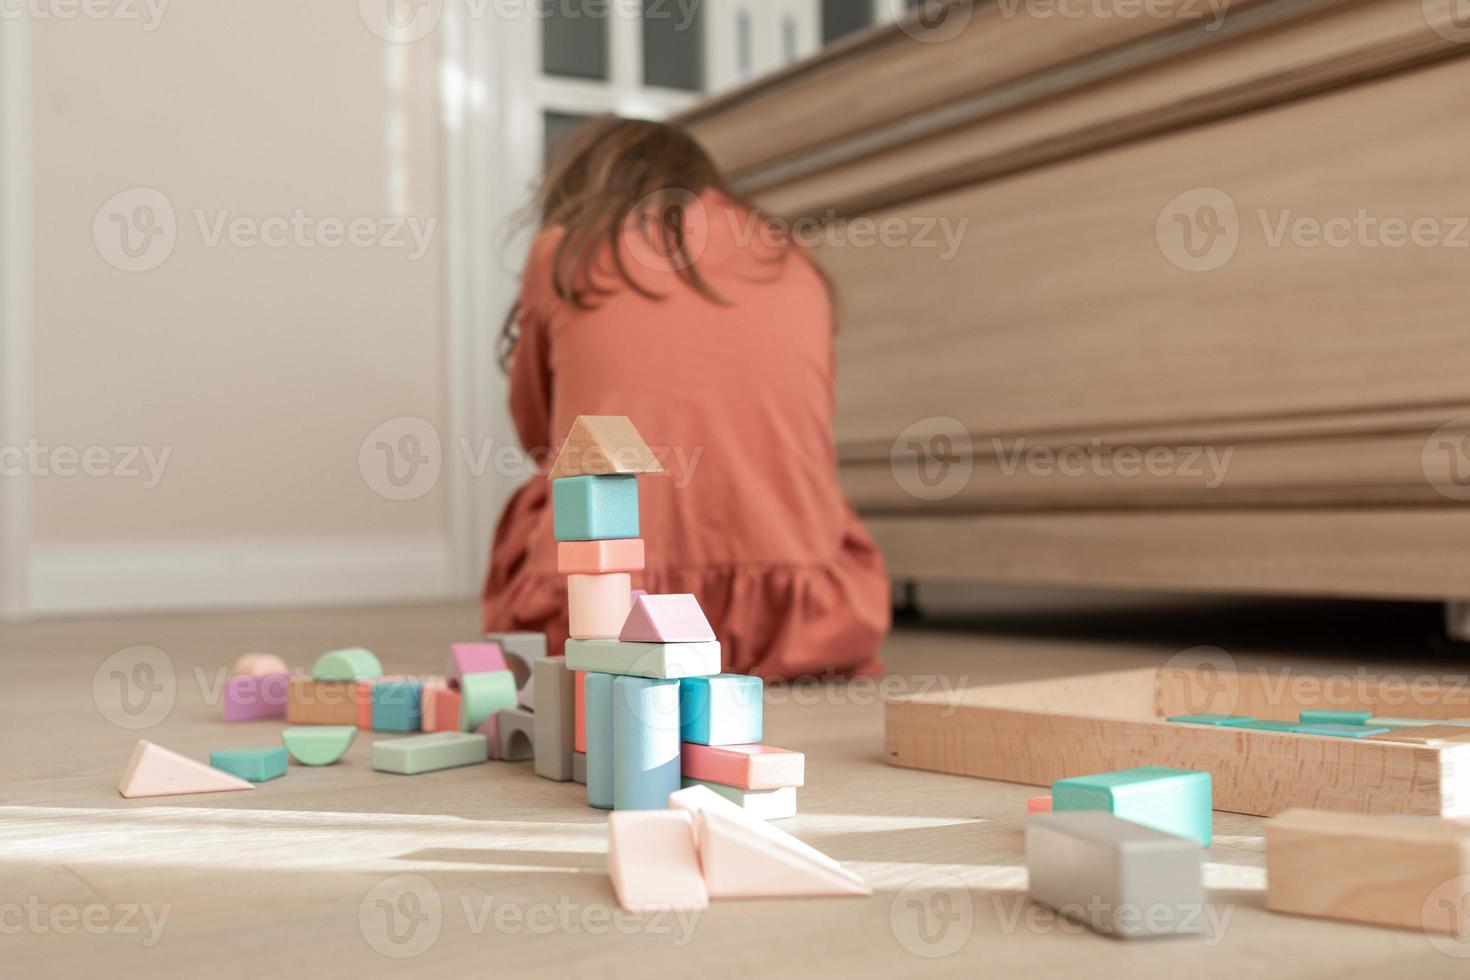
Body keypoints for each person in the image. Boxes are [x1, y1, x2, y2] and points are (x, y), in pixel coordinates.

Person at [483, 116, 889, 679]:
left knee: (559, 483)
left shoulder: (563, 253)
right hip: (801, 619)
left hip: (608, 616)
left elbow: (538, 437)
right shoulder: (789, 254)